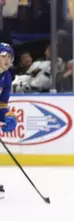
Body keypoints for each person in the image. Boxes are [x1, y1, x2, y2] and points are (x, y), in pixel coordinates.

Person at [0, 43, 17, 200]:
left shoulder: (6, 77)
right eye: (4, 56)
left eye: (9, 57)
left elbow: (2, 104)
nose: (7, 60)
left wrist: (8, 116)